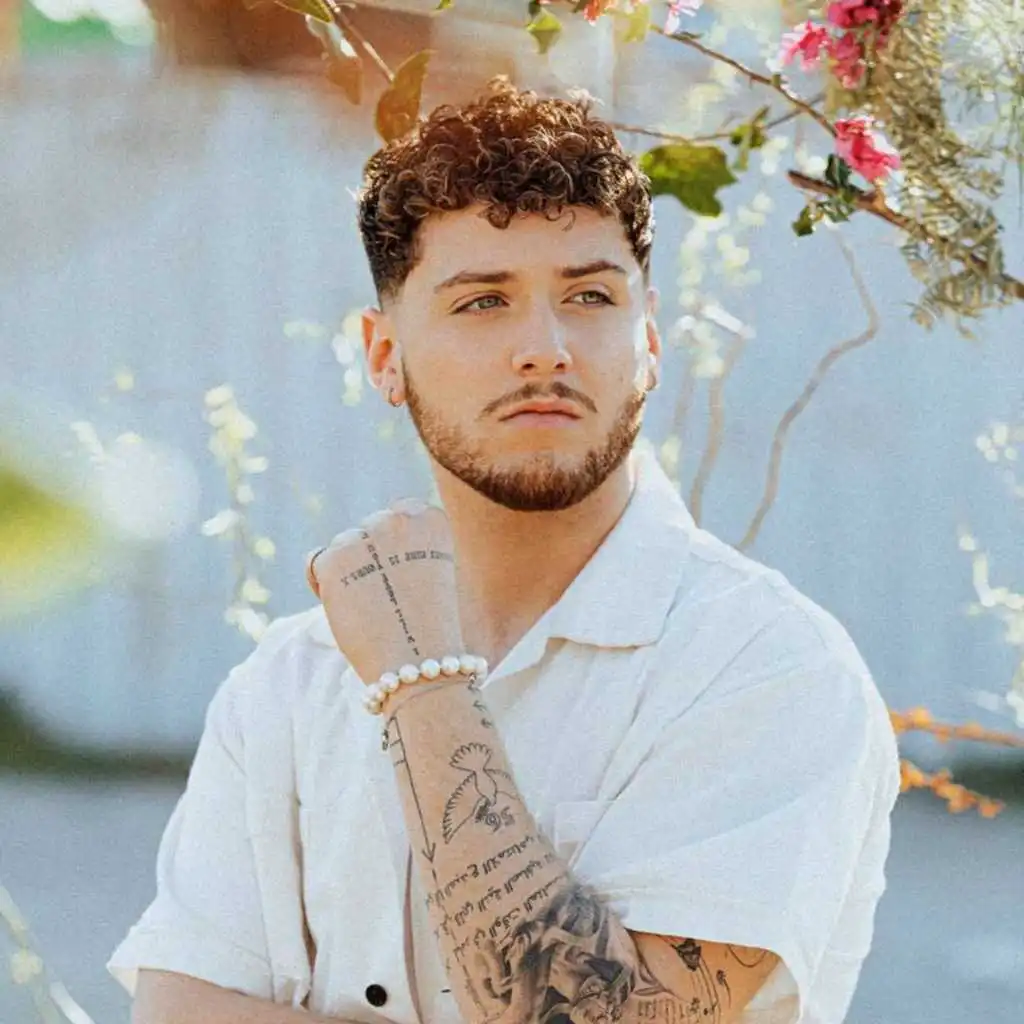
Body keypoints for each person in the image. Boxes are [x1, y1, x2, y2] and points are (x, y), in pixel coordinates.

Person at [108, 79, 900, 1024]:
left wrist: (423, 687)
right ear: (384, 357)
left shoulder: (763, 665)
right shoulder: (293, 675)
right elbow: (175, 1007)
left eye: (590, 296)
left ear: (649, 342)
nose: (545, 348)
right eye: (484, 301)